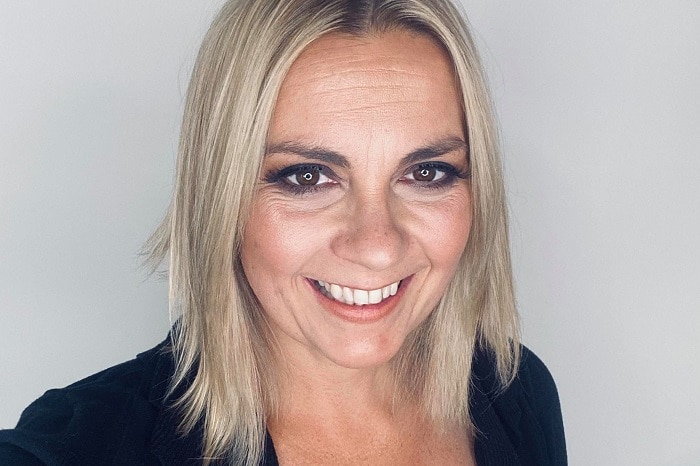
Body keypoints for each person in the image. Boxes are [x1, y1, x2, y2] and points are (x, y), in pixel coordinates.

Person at [0, 0, 566, 464]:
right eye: (307, 176)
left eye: (426, 173)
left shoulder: (515, 391)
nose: (376, 245)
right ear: (222, 197)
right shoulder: (73, 449)